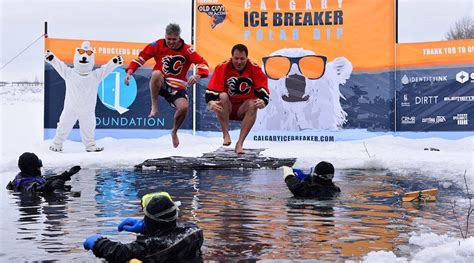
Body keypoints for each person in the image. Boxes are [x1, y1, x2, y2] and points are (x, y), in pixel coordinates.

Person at [124, 23, 209, 148]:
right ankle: (154, 106)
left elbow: (203, 63)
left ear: (179, 37)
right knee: (156, 73)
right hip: (161, 83)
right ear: (165, 36)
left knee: (184, 107)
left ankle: (174, 131)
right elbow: (140, 59)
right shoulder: (157, 45)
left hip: (177, 87)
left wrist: (198, 75)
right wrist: (130, 72)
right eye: (168, 39)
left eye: (174, 39)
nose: (171, 42)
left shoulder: (187, 49)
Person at [45, 41, 124, 152]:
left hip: (88, 110)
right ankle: (57, 144)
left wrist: (114, 62)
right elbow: (59, 65)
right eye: (81, 54)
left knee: (89, 128)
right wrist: (52, 59)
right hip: (70, 108)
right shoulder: (69, 73)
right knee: (63, 125)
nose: (84, 57)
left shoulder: (95, 75)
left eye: (87, 55)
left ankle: (90, 146)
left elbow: (106, 69)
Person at [83, 192, 203, 262]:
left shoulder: (152, 246)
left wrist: (98, 243)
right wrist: (146, 228)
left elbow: (120, 252)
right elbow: (175, 226)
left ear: (150, 220)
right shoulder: (193, 232)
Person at [205, 44, 269, 154]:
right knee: (222, 96)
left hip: (243, 109)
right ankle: (226, 134)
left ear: (247, 58)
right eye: (236, 58)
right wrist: (210, 102)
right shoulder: (222, 67)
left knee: (253, 104)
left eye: (242, 59)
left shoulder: (254, 68)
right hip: (227, 107)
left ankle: (239, 143)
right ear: (231, 57)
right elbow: (212, 89)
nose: (239, 62)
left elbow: (263, 90)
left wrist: (263, 101)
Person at [6, 152, 81, 192]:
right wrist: (50, 186)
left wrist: (66, 175)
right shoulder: (23, 183)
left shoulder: (27, 176)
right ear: (32, 168)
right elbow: (34, 189)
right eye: (38, 167)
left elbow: (45, 180)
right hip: (30, 201)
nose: (40, 169)